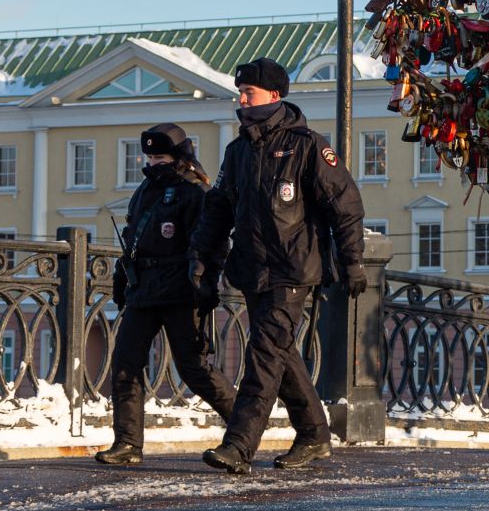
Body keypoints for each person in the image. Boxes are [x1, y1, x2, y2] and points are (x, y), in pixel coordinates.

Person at [189, 58, 368, 474]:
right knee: (280, 354)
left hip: (294, 269)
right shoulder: (238, 152)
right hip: (253, 269)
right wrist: (202, 260)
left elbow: (346, 205)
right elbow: (217, 211)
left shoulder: (308, 146)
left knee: (264, 354)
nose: (241, 99)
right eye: (240, 92)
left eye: (248, 93)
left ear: (273, 96)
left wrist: (353, 260)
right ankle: (314, 434)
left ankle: (238, 446)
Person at [94, 124, 238, 466]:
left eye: (159, 157)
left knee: (193, 368)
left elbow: (212, 243)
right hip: (143, 289)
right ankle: (127, 444)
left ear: (179, 157)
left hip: (180, 290)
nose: (153, 163)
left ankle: (245, 426)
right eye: (150, 157)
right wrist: (120, 278)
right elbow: (132, 239)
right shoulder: (145, 190)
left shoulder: (194, 193)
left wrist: (205, 284)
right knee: (125, 364)